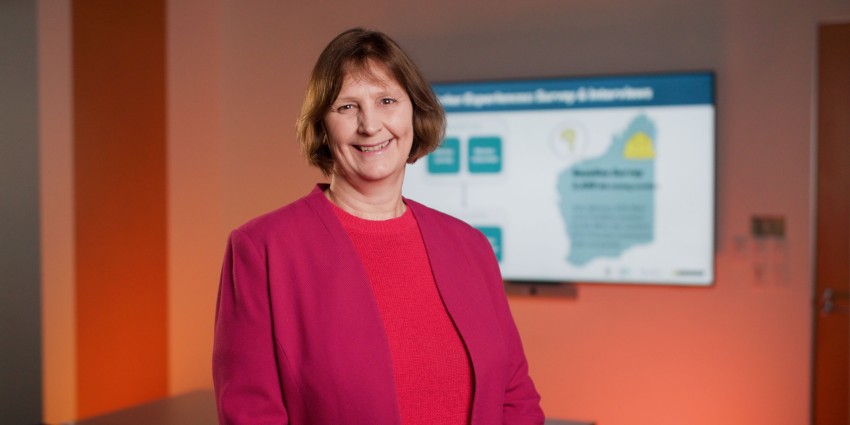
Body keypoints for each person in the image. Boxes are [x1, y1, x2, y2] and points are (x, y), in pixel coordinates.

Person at [213, 27, 544, 425]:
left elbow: (515, 400)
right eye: (347, 107)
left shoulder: (469, 246)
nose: (370, 125)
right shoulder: (263, 249)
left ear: (414, 112)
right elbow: (252, 415)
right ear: (322, 125)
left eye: (387, 100)